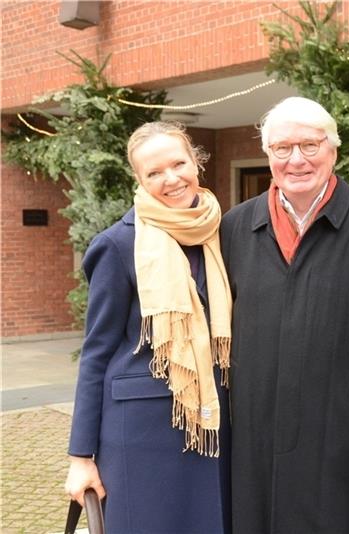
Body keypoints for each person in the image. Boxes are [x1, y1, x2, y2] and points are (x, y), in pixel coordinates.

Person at [219, 96, 349, 533]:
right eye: (282, 148)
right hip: (254, 438)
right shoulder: (234, 228)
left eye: (310, 145)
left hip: (340, 437)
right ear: (268, 155)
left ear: (333, 150)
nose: (296, 159)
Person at [65, 121, 232, 533]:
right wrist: (80, 458)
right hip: (140, 433)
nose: (170, 179)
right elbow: (97, 353)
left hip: (214, 419)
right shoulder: (118, 244)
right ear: (138, 180)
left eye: (178, 164)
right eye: (154, 172)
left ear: (197, 163)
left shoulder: (222, 232)